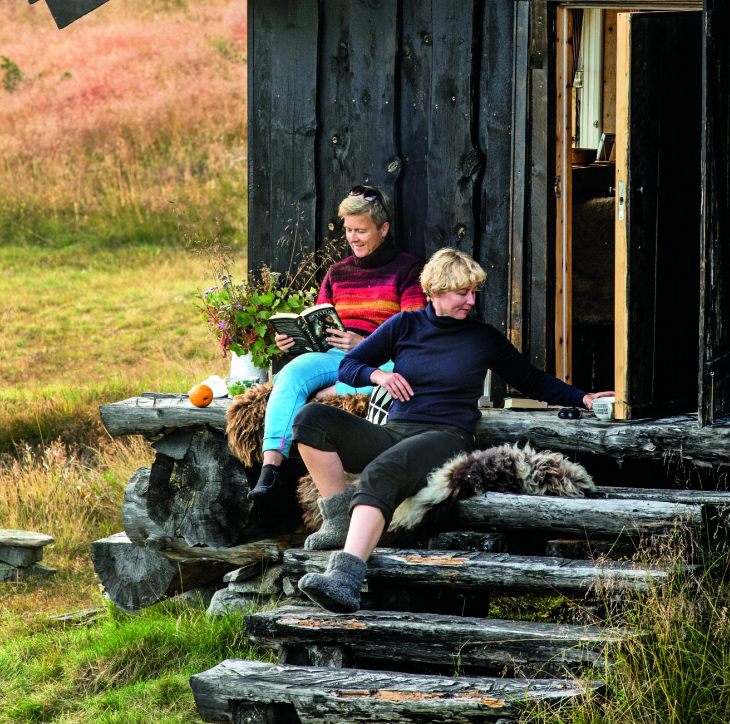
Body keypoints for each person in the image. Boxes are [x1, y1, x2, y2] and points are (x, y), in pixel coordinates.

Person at [292, 248, 614, 613]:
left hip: (447, 434)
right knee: (311, 420)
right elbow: (350, 365)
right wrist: (378, 374)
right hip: (396, 430)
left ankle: (345, 579)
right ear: (436, 290)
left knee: (383, 471)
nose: (471, 301)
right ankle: (338, 522)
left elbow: (533, 381)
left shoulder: (482, 338)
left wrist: (583, 398)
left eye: (474, 292)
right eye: (463, 292)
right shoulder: (404, 325)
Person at [248, 185, 427, 500]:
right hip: (332, 355)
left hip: (382, 359)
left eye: (361, 231)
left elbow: (415, 335)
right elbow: (318, 320)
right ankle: (271, 467)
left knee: (394, 380)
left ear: (383, 229)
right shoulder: (336, 273)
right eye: (348, 230)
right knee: (289, 374)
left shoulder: (409, 271)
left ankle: (337, 392)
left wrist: (365, 341)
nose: (353, 238)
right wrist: (295, 339)